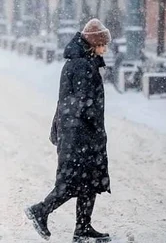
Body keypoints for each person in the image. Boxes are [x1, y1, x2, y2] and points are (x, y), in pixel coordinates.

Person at [25, 19, 112, 243]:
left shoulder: (83, 61)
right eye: (103, 43)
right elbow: (84, 102)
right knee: (73, 181)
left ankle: (82, 227)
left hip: (78, 131)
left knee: (88, 181)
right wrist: (94, 128)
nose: (106, 48)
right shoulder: (82, 65)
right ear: (94, 43)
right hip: (79, 133)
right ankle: (40, 211)